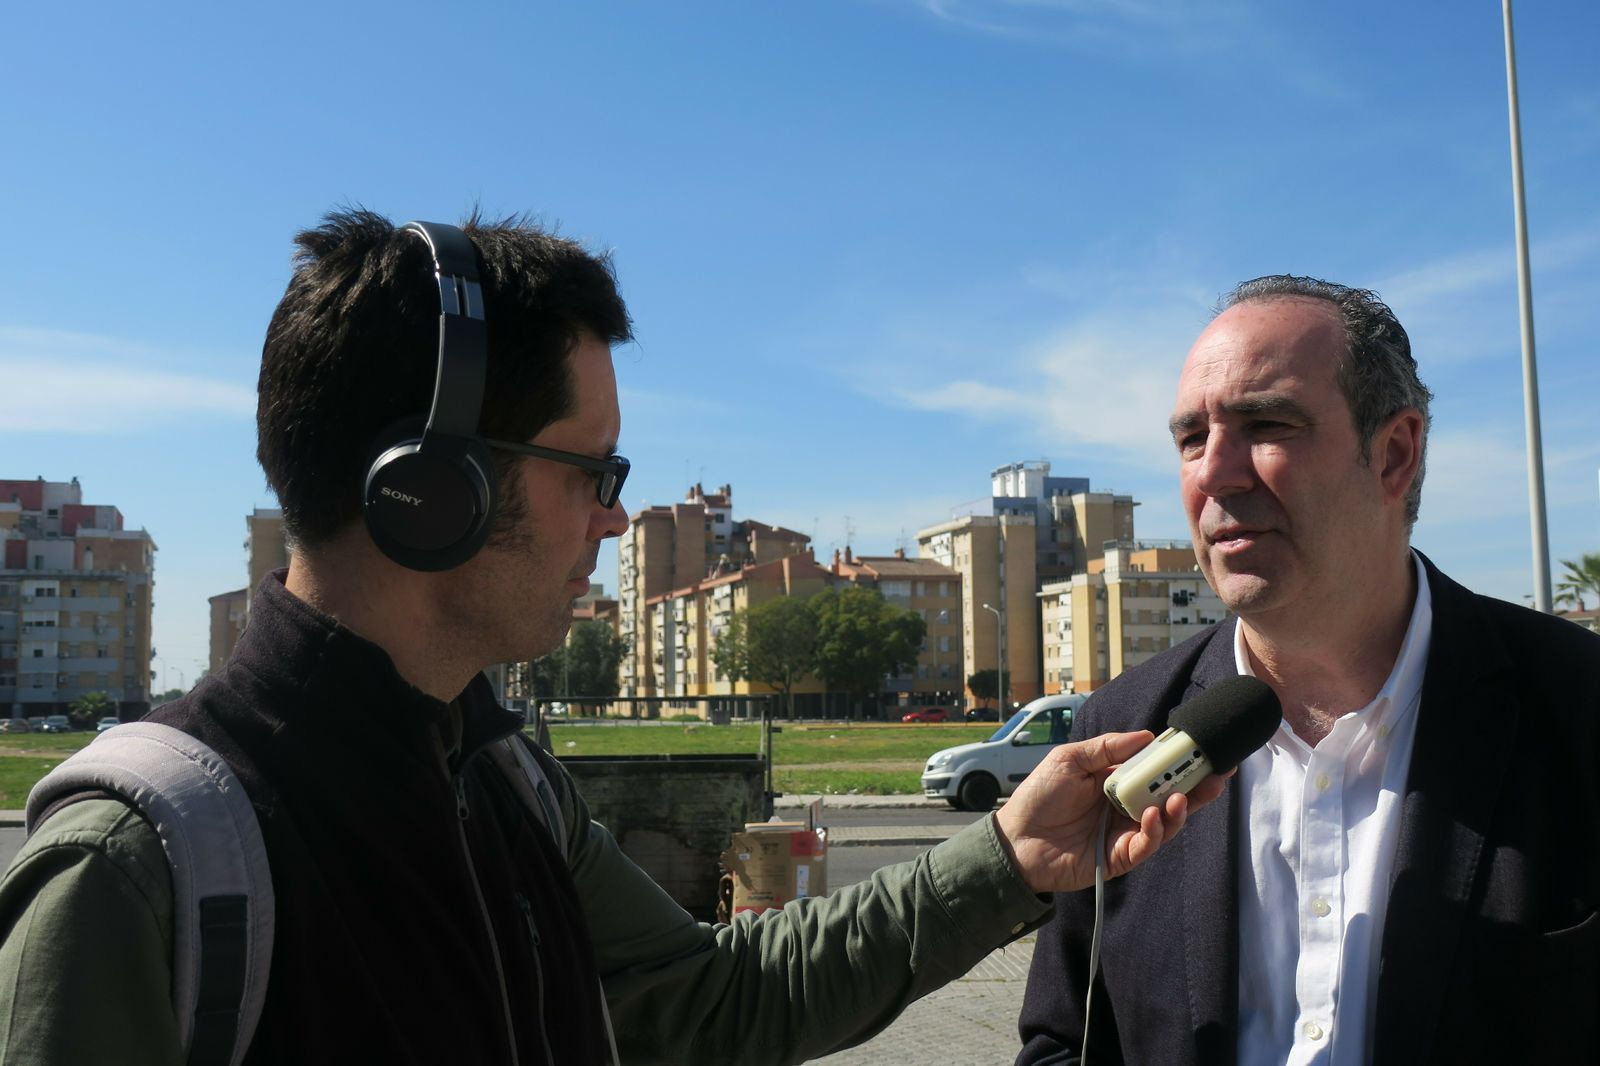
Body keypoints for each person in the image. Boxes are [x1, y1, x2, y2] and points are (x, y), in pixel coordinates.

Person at [0, 210, 1220, 1066]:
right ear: (431, 491)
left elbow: (718, 999)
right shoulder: (137, 873)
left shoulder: (504, 782)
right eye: (592, 470)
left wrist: (1006, 855)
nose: (614, 517)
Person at [1016, 276, 1600, 1066]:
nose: (1214, 474)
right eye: (1191, 438)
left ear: (1394, 454)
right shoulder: (1123, 729)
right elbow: (1064, 1042)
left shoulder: (1577, 708)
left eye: (1266, 424)